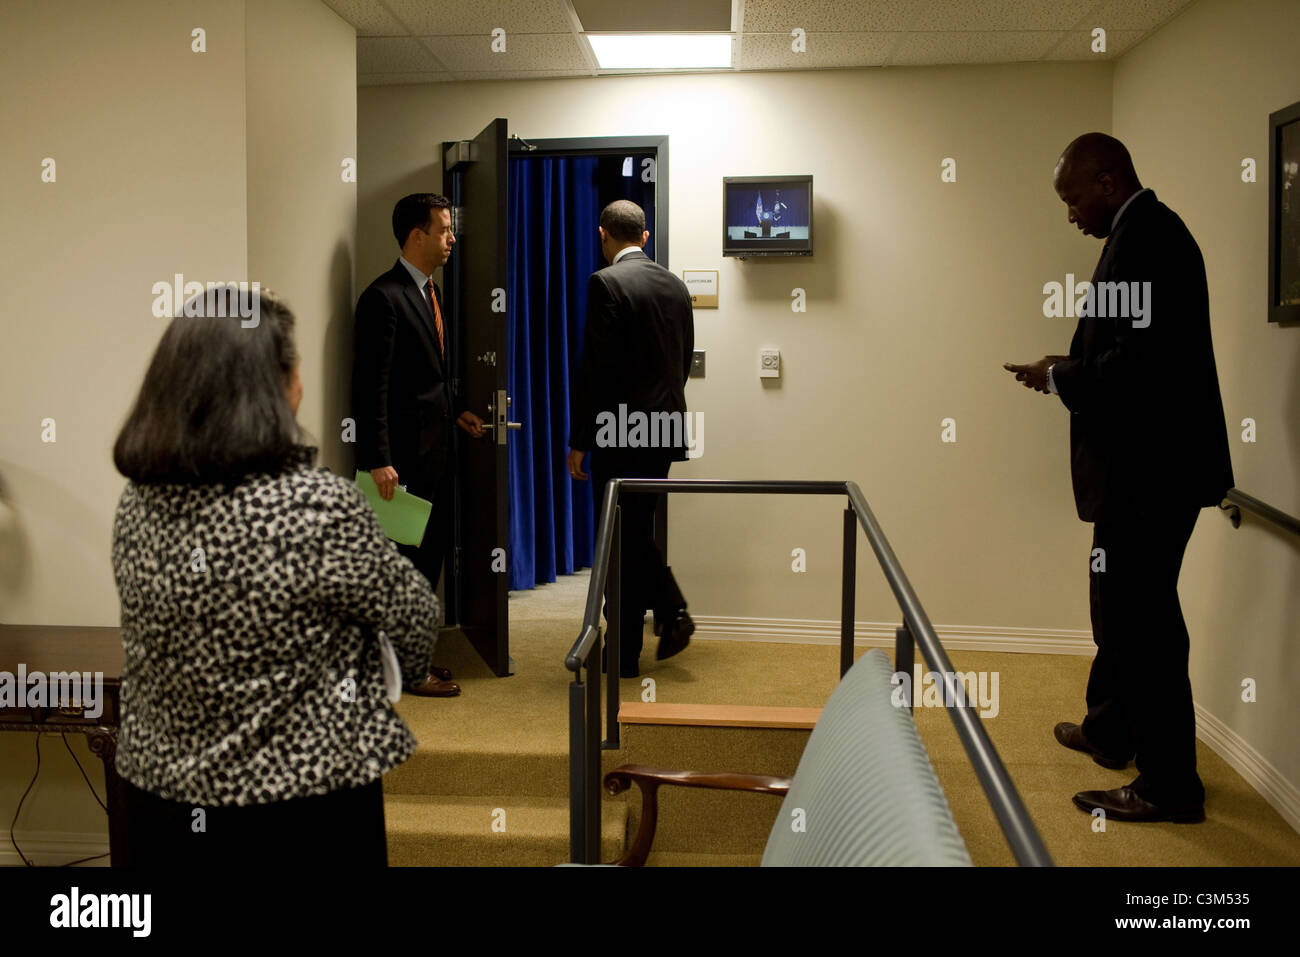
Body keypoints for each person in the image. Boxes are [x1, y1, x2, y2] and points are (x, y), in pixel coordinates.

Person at [111, 286, 438, 865]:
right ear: (276, 387)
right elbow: (415, 623)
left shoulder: (137, 503)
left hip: (156, 800)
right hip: (299, 808)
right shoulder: (315, 505)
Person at [1005, 132, 1234, 823]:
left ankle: (1170, 786)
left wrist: (1060, 375)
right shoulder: (1143, 233)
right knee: (1116, 604)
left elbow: (1140, 367)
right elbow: (1132, 352)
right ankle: (1111, 730)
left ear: (1106, 181)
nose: (1070, 213)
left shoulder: (1150, 239)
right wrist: (1065, 368)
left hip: (1151, 476)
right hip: (1143, 474)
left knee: (1144, 625)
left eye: (1073, 198)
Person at [352, 193, 485, 697]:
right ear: (416, 235)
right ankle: (404, 672)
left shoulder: (430, 292)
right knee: (404, 571)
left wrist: (457, 414)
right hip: (400, 469)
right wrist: (378, 459)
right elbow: (373, 387)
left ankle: (411, 659)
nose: (452, 239)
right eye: (445, 230)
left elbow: (425, 381)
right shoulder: (382, 298)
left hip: (436, 454)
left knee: (426, 565)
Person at [567, 200, 696, 678]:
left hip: (619, 433)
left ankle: (659, 621)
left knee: (621, 536)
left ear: (604, 235)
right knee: (634, 533)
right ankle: (640, 636)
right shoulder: (676, 285)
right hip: (662, 430)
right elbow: (683, 361)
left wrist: (581, 438)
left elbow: (595, 371)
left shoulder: (605, 283)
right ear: (643, 236)